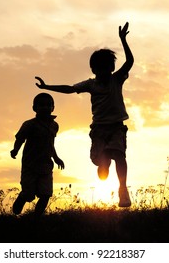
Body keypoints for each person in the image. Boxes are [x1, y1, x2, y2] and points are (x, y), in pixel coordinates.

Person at [35, 22, 134, 207]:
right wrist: (47, 86)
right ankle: (103, 164)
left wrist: (123, 40)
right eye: (99, 69)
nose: (104, 72)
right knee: (100, 162)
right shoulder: (90, 84)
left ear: (111, 68)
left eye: (107, 68)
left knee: (120, 156)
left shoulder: (116, 79)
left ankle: (123, 189)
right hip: (98, 130)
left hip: (116, 128)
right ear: (94, 70)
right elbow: (70, 89)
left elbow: (129, 63)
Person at [10, 93, 65, 216]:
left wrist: (56, 158)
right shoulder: (29, 124)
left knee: (45, 194)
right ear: (34, 108)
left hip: (46, 165)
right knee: (29, 195)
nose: (45, 107)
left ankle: (37, 218)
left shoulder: (54, 125)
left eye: (48, 105)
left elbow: (51, 144)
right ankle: (21, 199)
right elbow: (20, 138)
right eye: (41, 105)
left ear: (53, 107)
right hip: (30, 165)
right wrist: (15, 150)